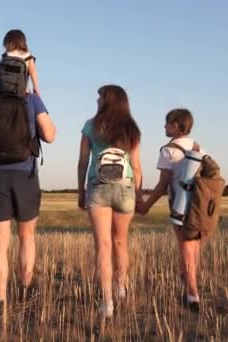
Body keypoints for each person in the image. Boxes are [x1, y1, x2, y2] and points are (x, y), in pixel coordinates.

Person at [0, 92, 56, 316]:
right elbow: (50, 135)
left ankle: (0, 300)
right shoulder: (32, 100)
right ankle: (25, 291)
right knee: (26, 236)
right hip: (25, 175)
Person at [77, 85, 143, 318]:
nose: (97, 99)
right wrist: (139, 194)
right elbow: (136, 166)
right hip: (125, 186)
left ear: (108, 100)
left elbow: (83, 160)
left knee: (103, 245)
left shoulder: (90, 126)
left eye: (100, 96)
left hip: (99, 186)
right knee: (121, 243)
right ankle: (121, 287)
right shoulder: (132, 129)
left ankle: (107, 302)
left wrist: (80, 190)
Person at [136, 108, 205, 312]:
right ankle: (189, 286)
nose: (164, 127)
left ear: (175, 125)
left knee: (185, 246)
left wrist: (146, 206)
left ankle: (192, 294)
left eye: (166, 123)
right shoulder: (199, 148)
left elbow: (163, 183)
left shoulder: (168, 150)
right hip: (200, 205)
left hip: (181, 205)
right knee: (194, 248)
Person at [0, 29, 41, 96]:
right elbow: (33, 72)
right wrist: (36, 87)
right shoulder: (28, 56)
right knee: (39, 105)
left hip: (3, 92)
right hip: (23, 93)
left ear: (8, 43)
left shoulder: (5, 56)